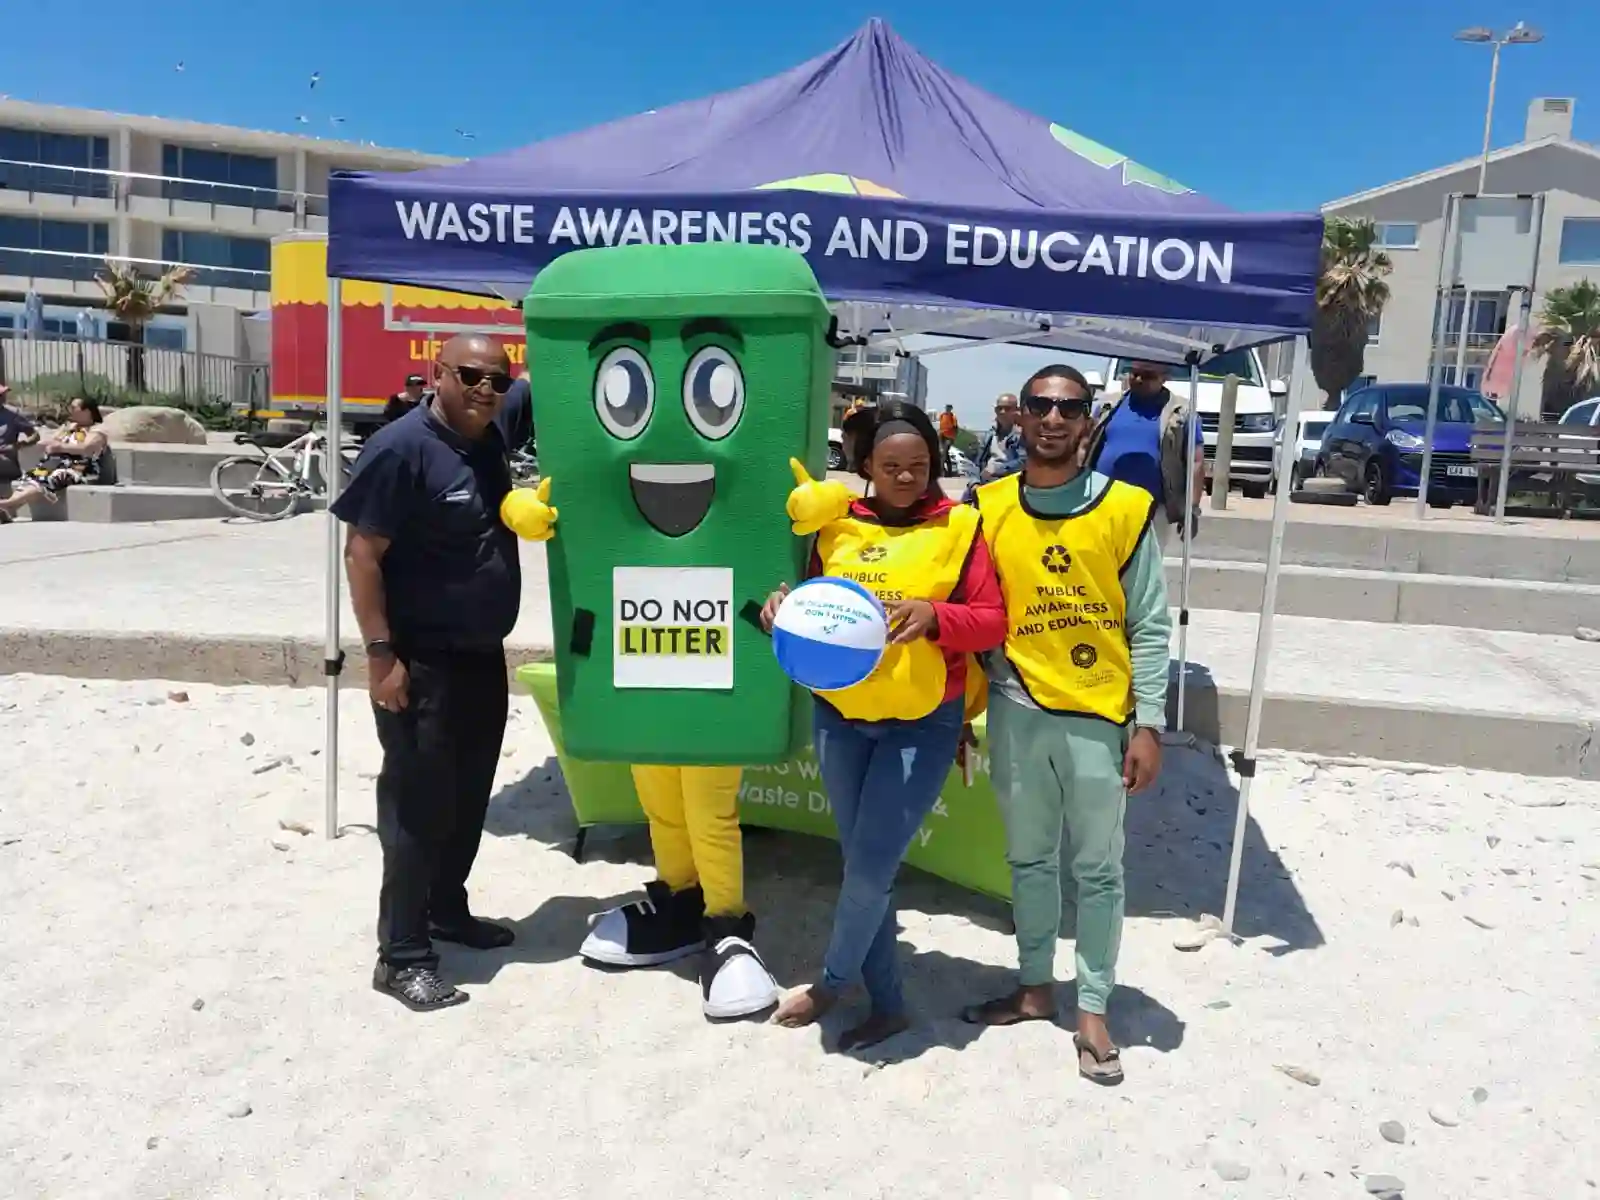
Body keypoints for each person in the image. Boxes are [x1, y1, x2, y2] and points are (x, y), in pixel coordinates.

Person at [762, 400, 1007, 1050]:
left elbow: (992, 619)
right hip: (840, 718)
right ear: (865, 466)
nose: (906, 478)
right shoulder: (838, 528)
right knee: (867, 866)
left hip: (923, 723)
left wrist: (935, 614)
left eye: (919, 466)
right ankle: (891, 1004)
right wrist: (779, 610)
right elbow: (813, 612)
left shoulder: (960, 526)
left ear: (935, 464)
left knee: (869, 871)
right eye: (891, 466)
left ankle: (833, 982)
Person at [962, 364, 1172, 1087]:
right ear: (1019, 416)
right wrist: (962, 710)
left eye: (1069, 408)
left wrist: (1150, 724)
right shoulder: (984, 507)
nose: (1053, 418)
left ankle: (1091, 1010)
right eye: (1040, 406)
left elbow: (1148, 625)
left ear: (1089, 420)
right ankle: (1032, 986)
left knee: (1099, 870)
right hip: (1017, 711)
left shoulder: (1127, 508)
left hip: (1099, 718)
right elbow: (965, 615)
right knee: (1026, 862)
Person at [333, 334, 531, 1012]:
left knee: (469, 794)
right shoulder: (399, 448)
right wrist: (381, 655)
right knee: (417, 808)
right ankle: (402, 955)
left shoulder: (488, 438)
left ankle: (447, 910)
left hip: (481, 654)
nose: (485, 388)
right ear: (436, 373)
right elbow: (362, 555)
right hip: (418, 659)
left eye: (498, 379)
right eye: (470, 375)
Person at [1083, 361, 1204, 550]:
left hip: (1153, 508)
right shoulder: (1108, 404)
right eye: (1134, 373)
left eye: (1148, 376)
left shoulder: (1181, 412)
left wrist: (1192, 510)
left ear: (1165, 377)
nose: (1138, 379)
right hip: (1102, 501)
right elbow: (1084, 446)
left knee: (1144, 570)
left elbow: (1195, 461)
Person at [0, 398, 107, 522]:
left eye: (73, 408)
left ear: (87, 411)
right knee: (30, 477)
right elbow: (52, 440)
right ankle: (9, 508)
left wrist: (61, 447)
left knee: (47, 480)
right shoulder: (68, 427)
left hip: (79, 468)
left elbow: (86, 449)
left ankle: (6, 504)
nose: (69, 410)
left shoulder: (97, 430)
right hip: (56, 463)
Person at [0, 385, 41, 521]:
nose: (2, 398)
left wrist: (21, 444)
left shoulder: (13, 415)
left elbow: (35, 435)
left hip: (7, 460)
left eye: (3, 395)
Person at [974, 392, 1024, 485]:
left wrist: (997, 470)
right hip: (986, 482)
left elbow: (1023, 461)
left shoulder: (1020, 435)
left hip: (1008, 482)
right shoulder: (989, 435)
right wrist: (974, 482)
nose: (1002, 412)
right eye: (999, 408)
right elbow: (978, 463)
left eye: (1007, 409)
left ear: (1016, 410)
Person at [937, 404, 959, 477]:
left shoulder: (953, 417)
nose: (947, 409)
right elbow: (940, 425)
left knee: (944, 453)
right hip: (942, 435)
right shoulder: (942, 415)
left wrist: (953, 438)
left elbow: (956, 428)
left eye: (949, 408)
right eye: (947, 408)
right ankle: (946, 471)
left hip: (949, 437)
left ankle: (943, 471)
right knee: (943, 454)